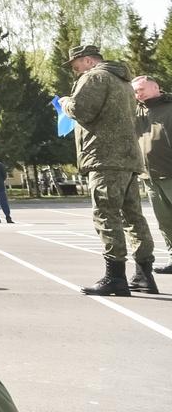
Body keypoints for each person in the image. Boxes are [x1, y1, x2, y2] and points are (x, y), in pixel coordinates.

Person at [60, 44, 156, 296]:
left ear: (88, 61)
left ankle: (115, 277)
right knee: (133, 217)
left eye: (76, 65)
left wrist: (65, 102)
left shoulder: (94, 78)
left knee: (106, 215)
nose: (75, 70)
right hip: (127, 158)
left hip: (104, 157)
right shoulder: (123, 81)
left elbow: (82, 111)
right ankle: (144, 275)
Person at [132, 75, 172, 275]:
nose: (138, 94)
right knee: (165, 221)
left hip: (171, 173)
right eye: (136, 91)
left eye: (142, 89)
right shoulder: (136, 111)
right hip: (150, 176)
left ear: (156, 87)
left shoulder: (169, 106)